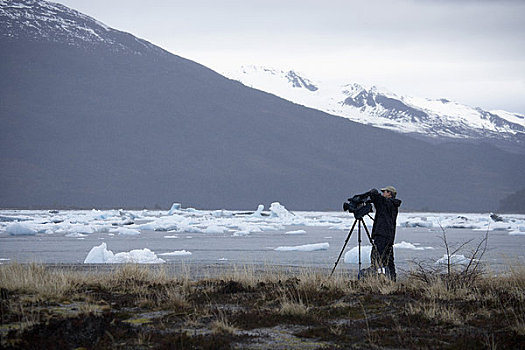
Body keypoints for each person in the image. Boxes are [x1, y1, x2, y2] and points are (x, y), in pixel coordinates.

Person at [366, 186, 402, 281]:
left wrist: (371, 192)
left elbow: (376, 197)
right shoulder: (392, 204)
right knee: (388, 260)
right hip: (389, 236)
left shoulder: (387, 203)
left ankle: (376, 279)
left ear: (389, 193)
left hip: (381, 235)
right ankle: (392, 280)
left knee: (376, 258)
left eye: (384, 192)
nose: (383, 193)